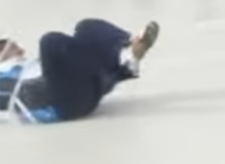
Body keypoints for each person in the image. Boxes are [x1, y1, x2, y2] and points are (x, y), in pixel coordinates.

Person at [0, 19, 159, 124]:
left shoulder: (28, 65)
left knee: (86, 27)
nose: (20, 49)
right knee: (50, 41)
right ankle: (120, 70)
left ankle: (132, 48)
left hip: (86, 89)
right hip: (60, 106)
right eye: (11, 46)